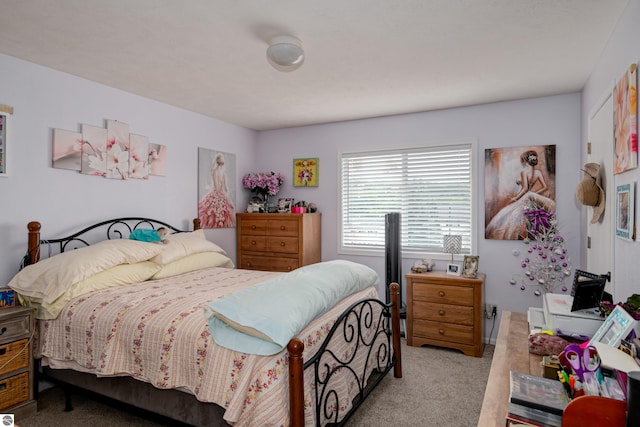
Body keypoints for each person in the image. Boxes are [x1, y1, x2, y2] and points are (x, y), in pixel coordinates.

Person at [485, 149, 555, 240]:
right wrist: (534, 194)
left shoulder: (524, 172)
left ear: (525, 162)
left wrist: (516, 198)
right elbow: (544, 187)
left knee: (515, 219)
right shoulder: (538, 173)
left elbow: (525, 189)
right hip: (529, 197)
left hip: (524, 197)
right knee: (527, 220)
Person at [198, 153, 236, 228]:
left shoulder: (213, 171)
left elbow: (213, 186)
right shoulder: (223, 174)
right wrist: (225, 195)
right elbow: (226, 188)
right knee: (225, 214)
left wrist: (208, 188)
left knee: (209, 213)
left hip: (214, 193)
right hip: (221, 194)